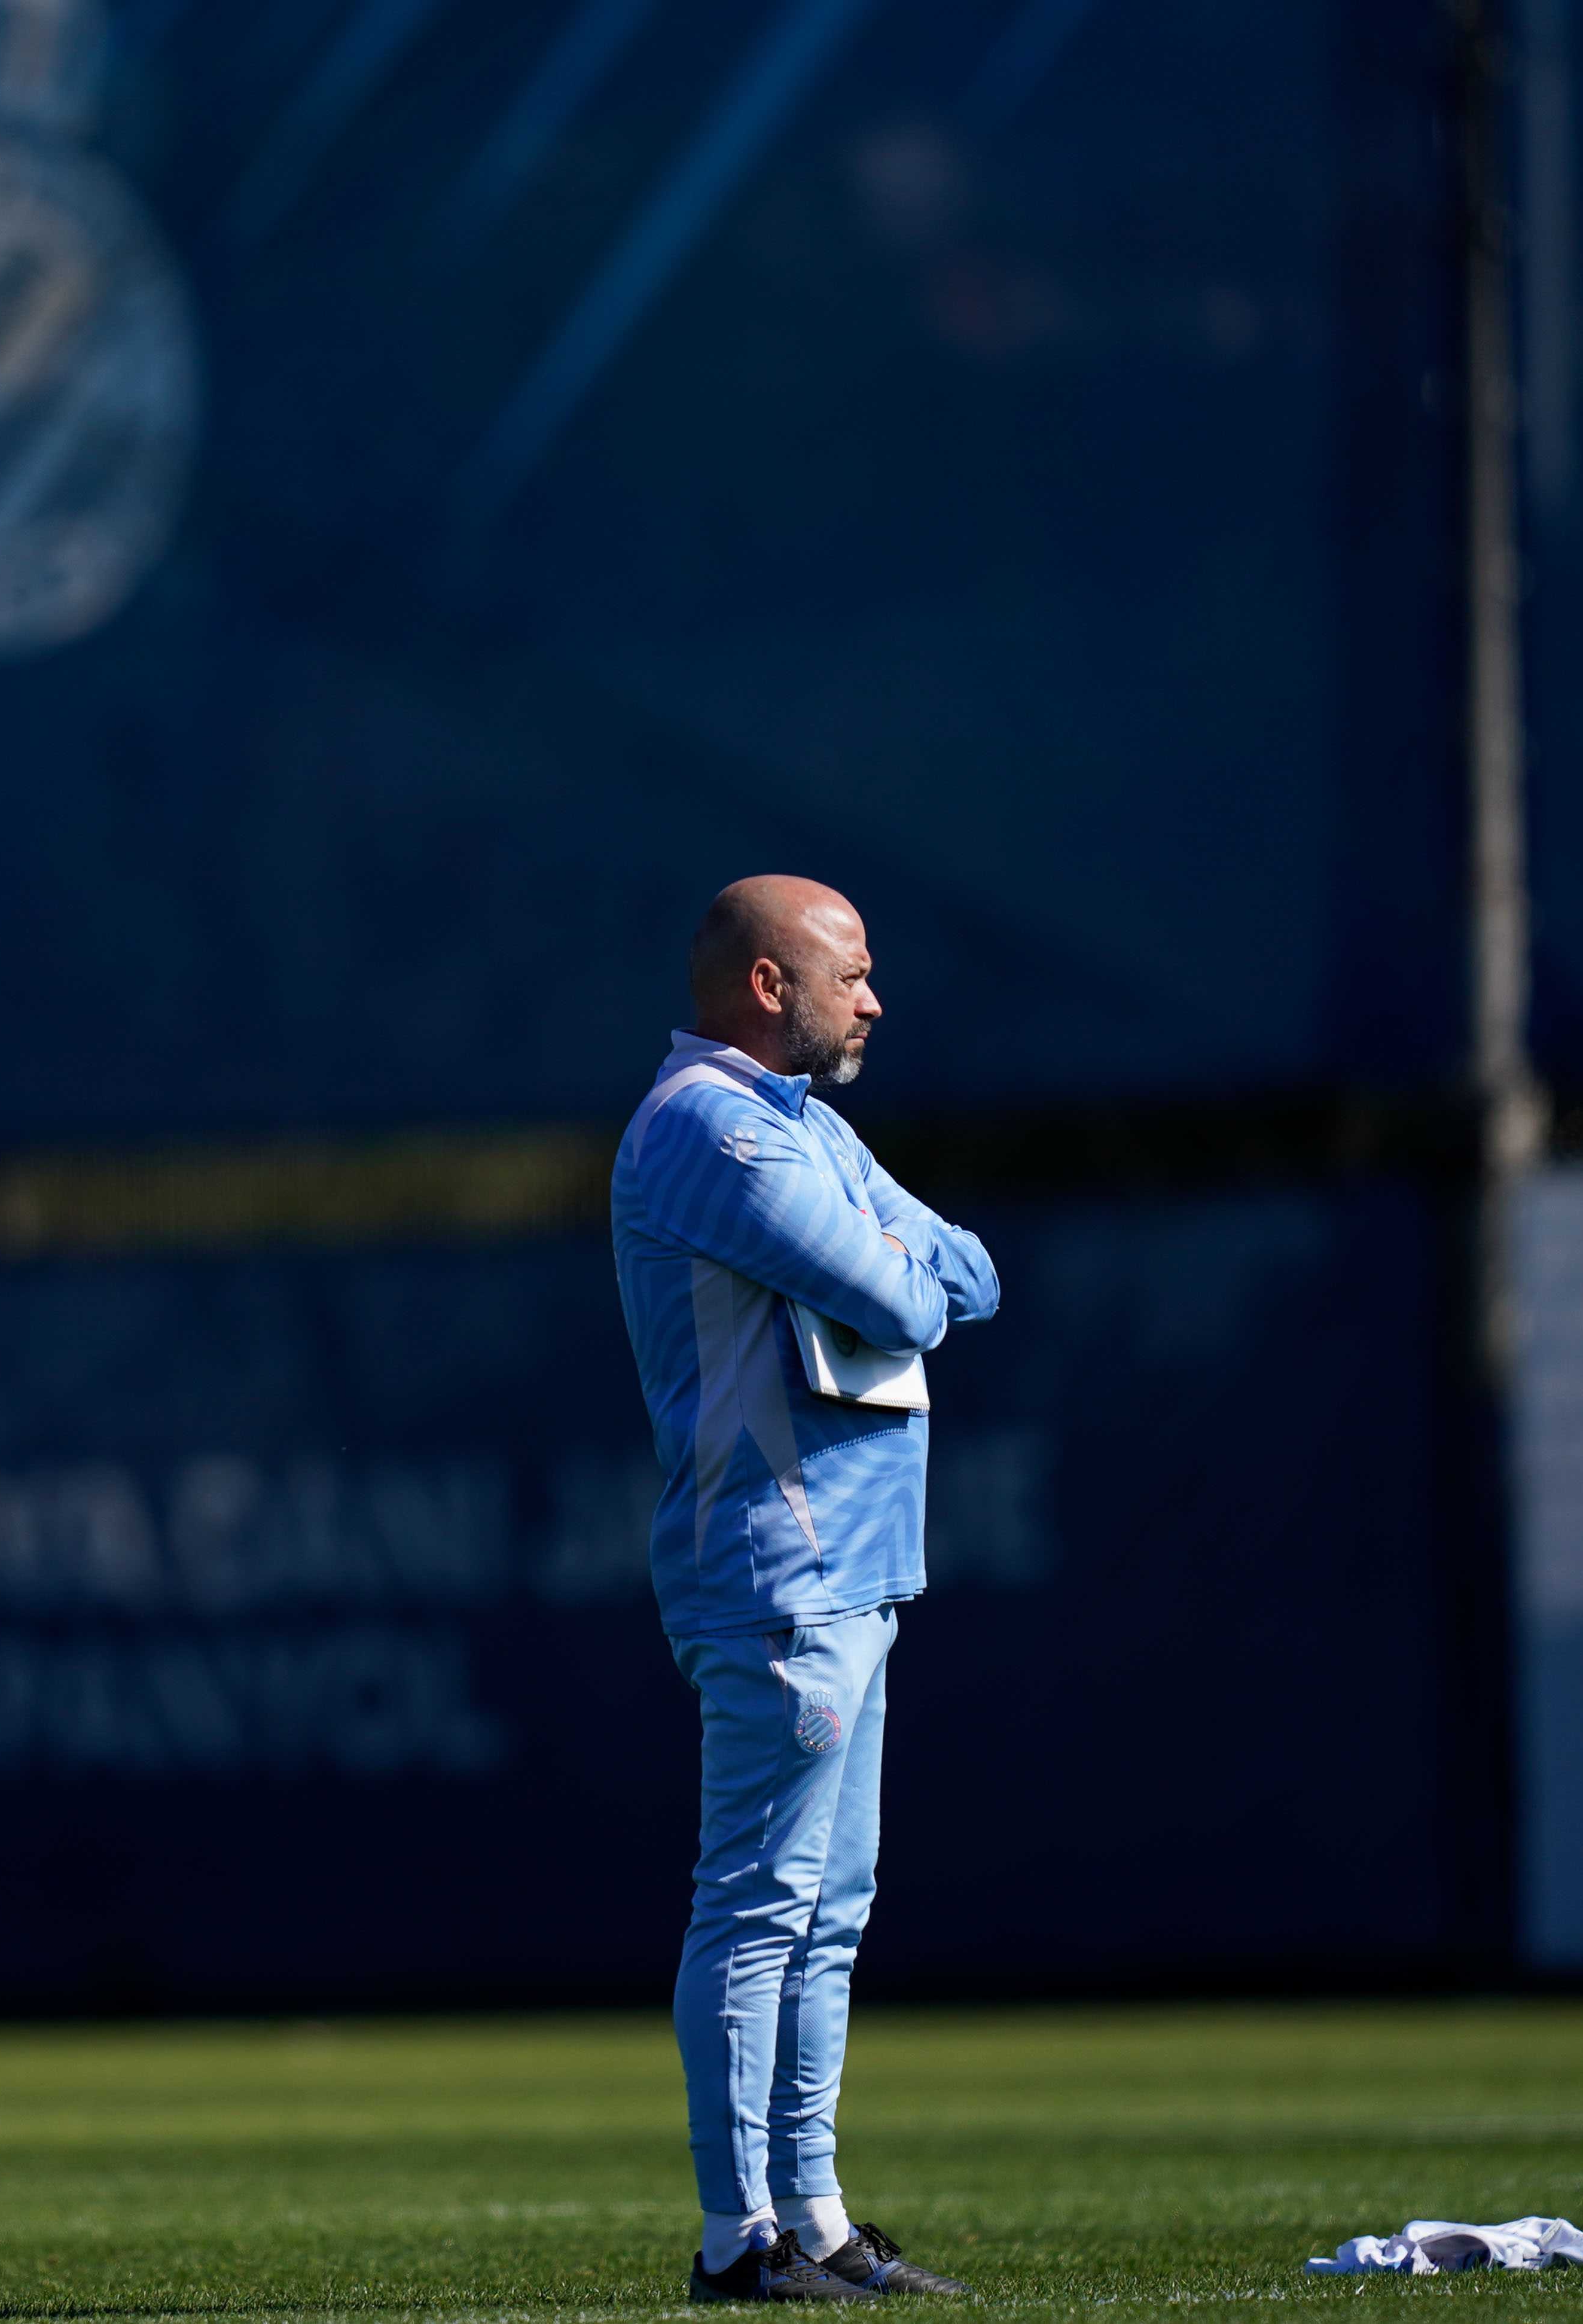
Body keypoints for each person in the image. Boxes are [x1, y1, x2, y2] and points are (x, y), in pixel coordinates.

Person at [610, 876, 1000, 2302]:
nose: (873, 998)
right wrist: (895, 1262)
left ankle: (815, 2215)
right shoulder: (706, 1123)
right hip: (776, 1567)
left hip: (857, 1566)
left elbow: (974, 1272)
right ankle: (738, 2237)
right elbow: (907, 1299)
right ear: (768, 983)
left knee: (829, 1911)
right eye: (852, 972)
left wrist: (892, 1258)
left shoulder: (805, 1124)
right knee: (759, 1904)